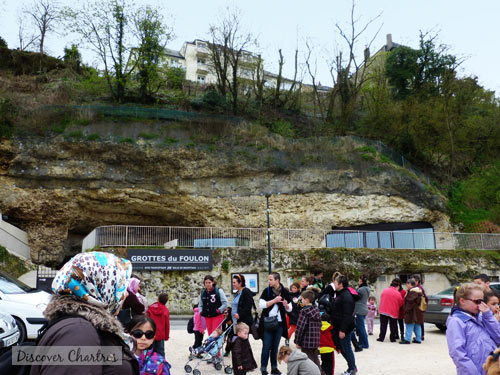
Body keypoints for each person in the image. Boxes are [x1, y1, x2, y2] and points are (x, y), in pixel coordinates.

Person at [31, 251, 139, 375]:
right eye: (120, 286)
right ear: (101, 285)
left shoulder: (81, 327)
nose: (125, 294)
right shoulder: (79, 331)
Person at [447, 282, 500, 375]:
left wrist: (488, 316)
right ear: (462, 301)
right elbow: (458, 354)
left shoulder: (481, 317)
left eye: (482, 301)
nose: (481, 305)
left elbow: (498, 337)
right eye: (477, 301)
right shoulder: (456, 322)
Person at [258, 272, 293, 375]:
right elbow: (261, 305)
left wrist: (286, 306)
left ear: (277, 280)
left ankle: (274, 368)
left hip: (280, 323)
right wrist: (274, 300)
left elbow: (290, 308)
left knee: (275, 347)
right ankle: (263, 369)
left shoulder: (285, 292)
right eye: (268, 280)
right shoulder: (267, 291)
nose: (268, 281)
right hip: (268, 323)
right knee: (266, 347)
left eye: (270, 280)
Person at [330, 275, 357, 375]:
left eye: (335, 282)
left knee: (346, 348)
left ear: (340, 284)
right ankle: (352, 366)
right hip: (338, 326)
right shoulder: (339, 294)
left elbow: (347, 315)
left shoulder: (346, 296)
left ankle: (352, 369)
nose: (334, 284)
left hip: (345, 327)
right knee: (342, 348)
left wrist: (343, 330)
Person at [294, 289, 322, 372]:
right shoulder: (316, 310)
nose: (300, 301)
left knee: (308, 361)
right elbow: (320, 325)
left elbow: (300, 328)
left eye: (301, 299)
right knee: (315, 359)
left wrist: (297, 341)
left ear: (306, 300)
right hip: (315, 340)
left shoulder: (304, 312)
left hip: (306, 341)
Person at [377, 279, 403, 343]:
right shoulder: (398, 293)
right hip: (393, 311)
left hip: (383, 310)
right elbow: (401, 303)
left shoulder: (384, 290)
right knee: (393, 325)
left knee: (383, 325)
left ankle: (381, 337)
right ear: (397, 286)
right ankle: (392, 338)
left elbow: (382, 298)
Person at [399, 278, 424, 344]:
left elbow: (410, 302)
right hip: (418, 311)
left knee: (409, 324)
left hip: (412, 311)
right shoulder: (418, 291)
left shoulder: (412, 292)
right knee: (417, 325)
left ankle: (407, 339)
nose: (406, 285)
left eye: (407, 283)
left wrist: (406, 309)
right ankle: (418, 339)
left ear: (410, 284)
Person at [146, 292, 170, 357]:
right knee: (160, 352)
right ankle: (161, 365)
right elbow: (167, 325)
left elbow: (146, 321)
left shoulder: (150, 308)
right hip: (160, 334)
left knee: (150, 351)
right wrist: (166, 336)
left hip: (151, 333)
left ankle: (150, 365)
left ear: (158, 298)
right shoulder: (165, 310)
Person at [353, 276, 370, 350]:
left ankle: (365, 344)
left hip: (359, 309)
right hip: (364, 308)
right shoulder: (367, 288)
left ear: (361, 281)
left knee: (361, 327)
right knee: (361, 327)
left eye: (359, 280)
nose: (358, 281)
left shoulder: (361, 289)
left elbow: (356, 297)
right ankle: (361, 343)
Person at [411, 274, 427, 341]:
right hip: (418, 307)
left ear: (417, 281)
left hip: (419, 307)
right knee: (419, 320)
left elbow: (425, 298)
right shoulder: (416, 288)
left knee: (420, 321)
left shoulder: (419, 288)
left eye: (413, 280)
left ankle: (421, 336)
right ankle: (420, 335)